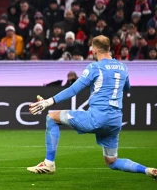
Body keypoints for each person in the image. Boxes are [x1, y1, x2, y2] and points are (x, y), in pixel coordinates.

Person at [27, 35, 157, 179]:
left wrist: (48, 102)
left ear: (94, 49)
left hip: (96, 118)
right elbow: (127, 88)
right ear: (109, 48)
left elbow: (74, 89)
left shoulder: (95, 67)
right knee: (112, 161)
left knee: (52, 118)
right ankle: (147, 170)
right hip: (115, 121)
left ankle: (48, 163)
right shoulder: (123, 67)